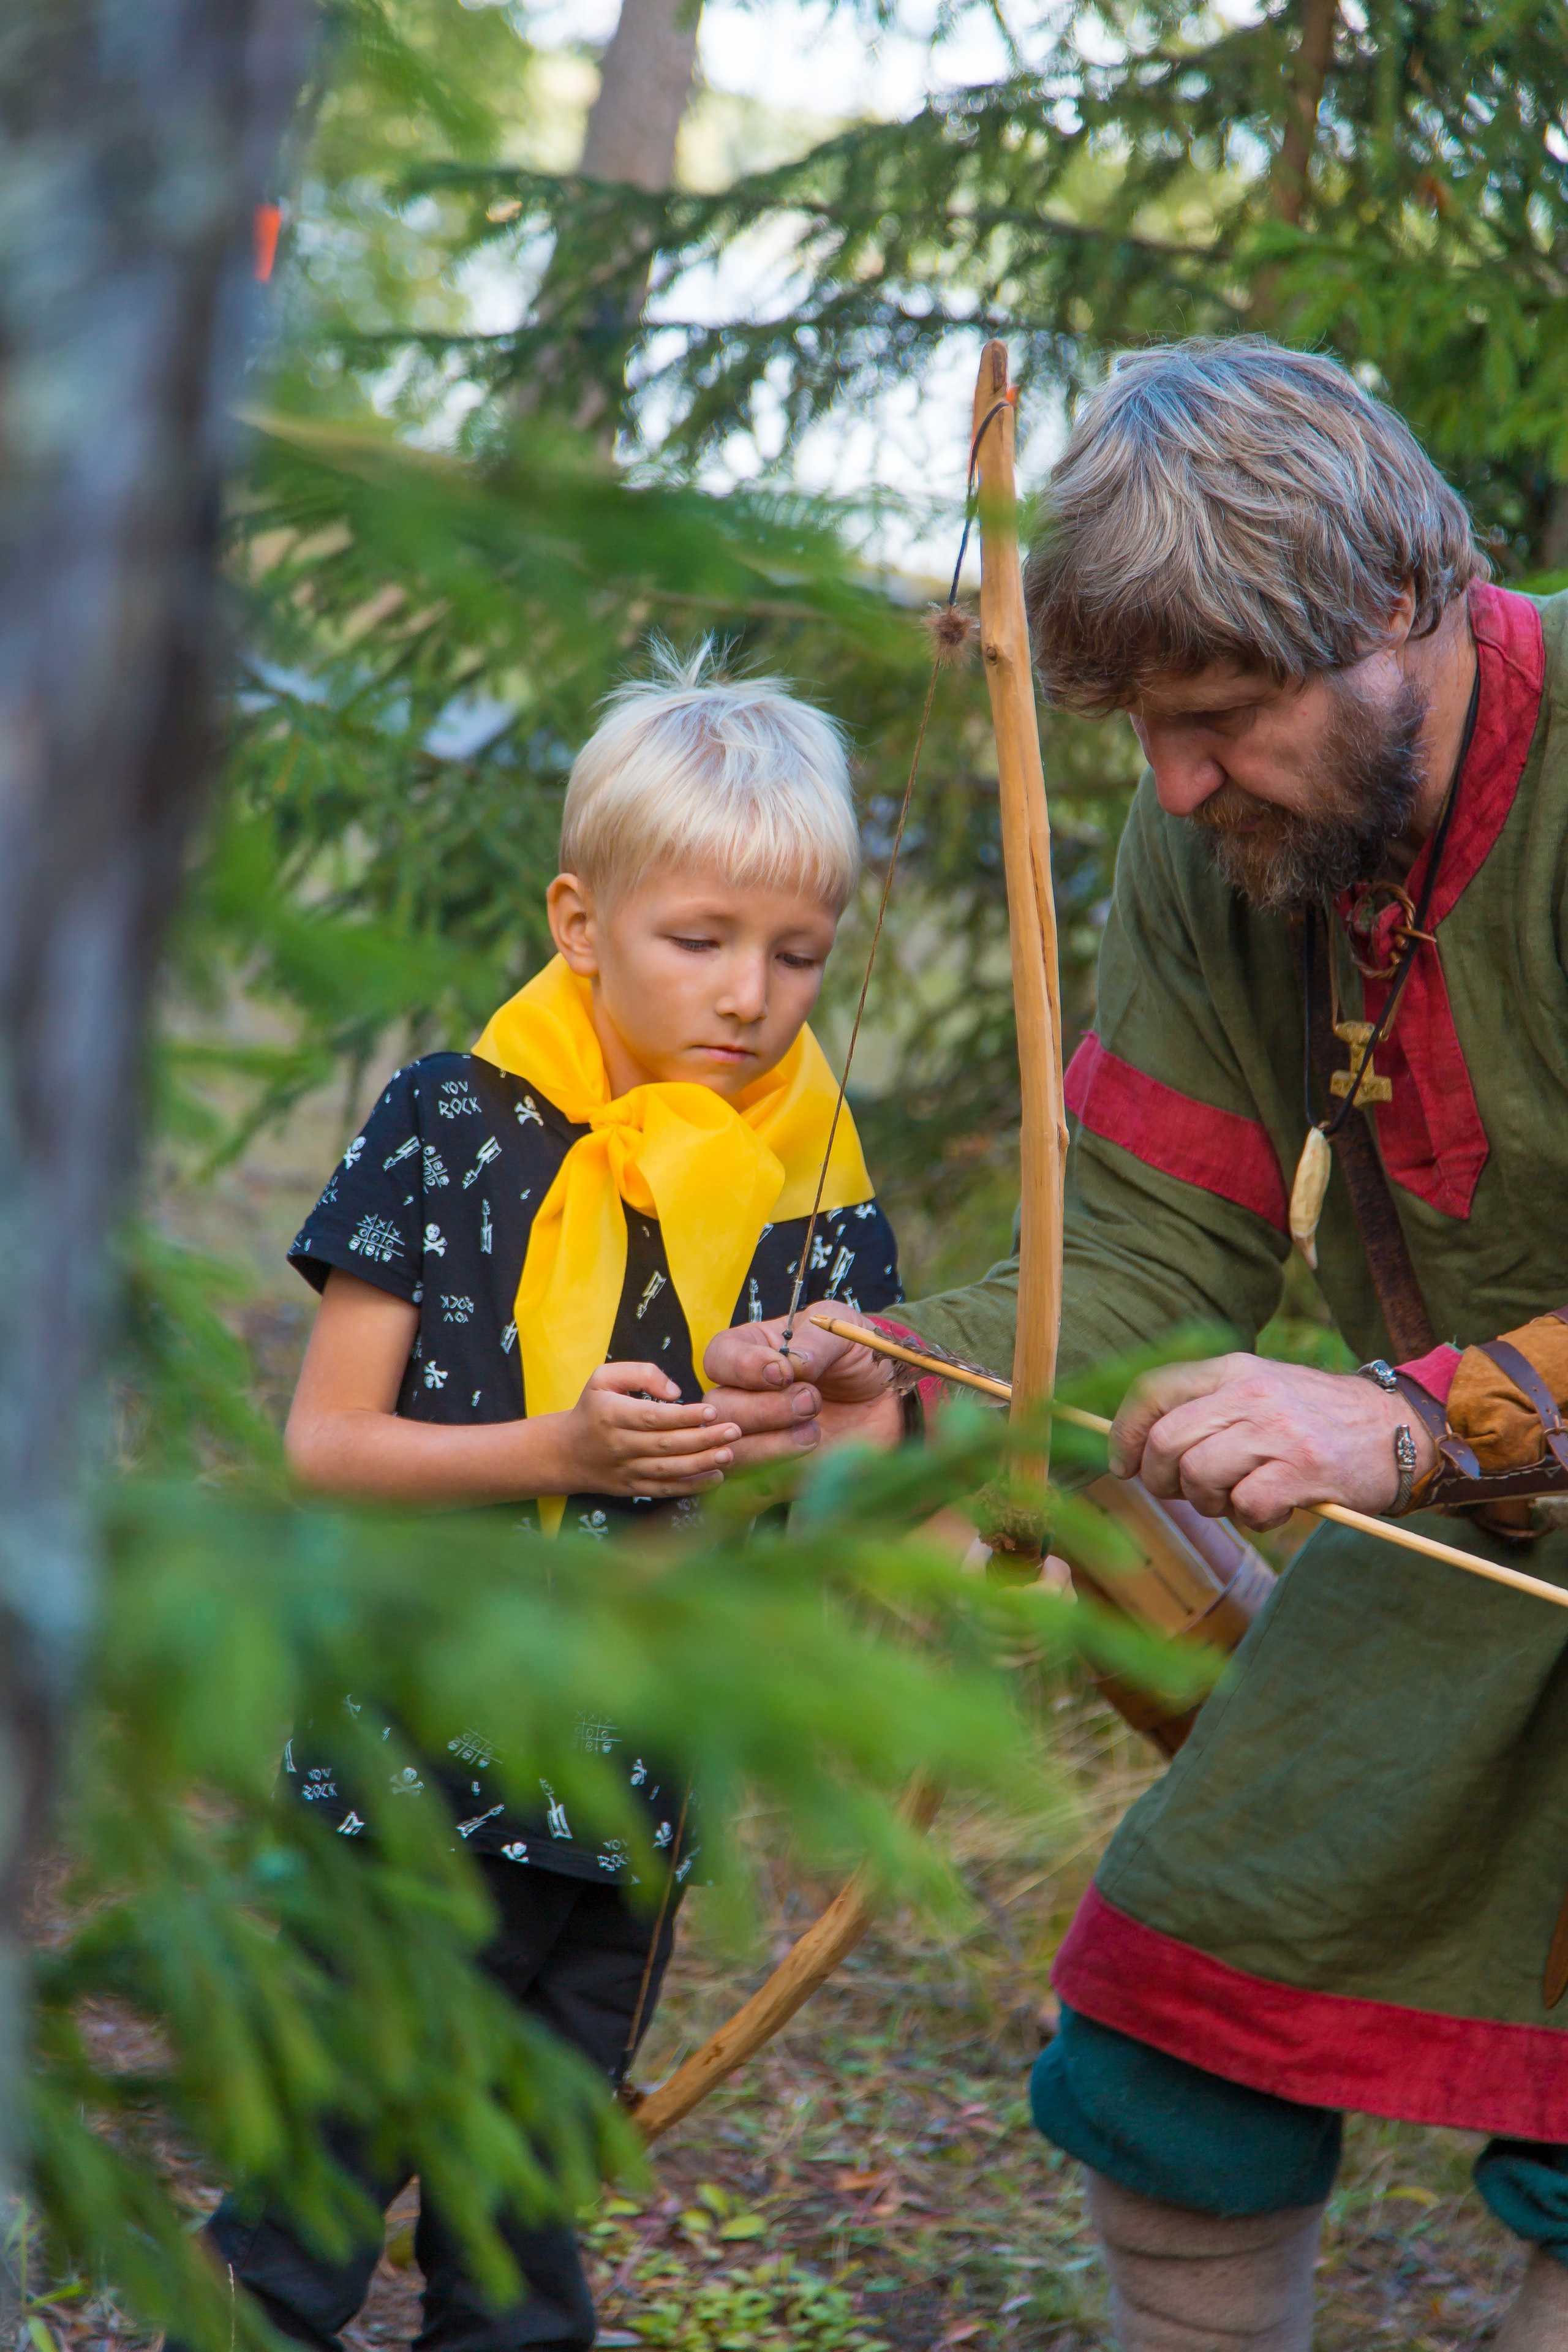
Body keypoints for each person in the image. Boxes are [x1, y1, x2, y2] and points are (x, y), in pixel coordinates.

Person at [704, 341, 1568, 2350]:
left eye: (1219, 720)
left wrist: (1410, 1425)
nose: (1174, 786)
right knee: (1178, 2032)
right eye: (1147, 731)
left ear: (1395, 610)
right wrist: (913, 1381)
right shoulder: (1232, 832)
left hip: (1444, 1479)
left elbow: (1398, 1430)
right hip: (1468, 1560)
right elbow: (1147, 1234)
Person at [197, 650, 903, 2352]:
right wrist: (559, 1455)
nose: (752, 996)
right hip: (404, 1765)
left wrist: (851, 1406)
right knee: (307, 2206)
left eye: (797, 955)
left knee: (519, 2254)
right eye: (702, 940)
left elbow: (840, 1519)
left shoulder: (810, 1173)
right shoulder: (452, 1124)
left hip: (626, 1792)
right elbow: (328, 1450)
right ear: (582, 920)